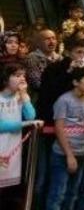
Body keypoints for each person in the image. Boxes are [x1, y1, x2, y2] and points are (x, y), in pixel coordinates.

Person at [46, 66, 84, 210]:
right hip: (63, 154)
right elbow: (59, 128)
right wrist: (69, 155)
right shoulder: (64, 100)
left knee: (72, 193)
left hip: (81, 151)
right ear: (75, 82)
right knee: (58, 194)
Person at [0, 63, 40, 193]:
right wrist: (24, 124)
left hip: (13, 149)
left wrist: (25, 97)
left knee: (8, 191)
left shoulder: (21, 97)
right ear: (6, 79)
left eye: (23, 75)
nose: (22, 79)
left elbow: (30, 116)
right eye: (17, 76)